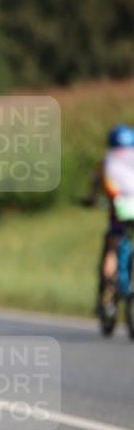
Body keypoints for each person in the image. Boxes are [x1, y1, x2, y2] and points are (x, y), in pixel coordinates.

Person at [90, 123, 134, 314]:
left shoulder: (107, 161)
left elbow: (97, 185)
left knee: (112, 247)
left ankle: (107, 298)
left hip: (120, 208)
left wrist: (93, 199)